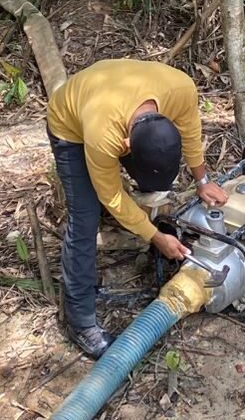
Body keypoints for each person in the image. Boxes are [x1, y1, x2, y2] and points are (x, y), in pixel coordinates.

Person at [46, 58, 229, 358]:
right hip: (72, 127)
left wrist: (202, 180)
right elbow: (113, 196)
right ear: (126, 145)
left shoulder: (181, 90)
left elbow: (192, 133)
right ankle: (79, 322)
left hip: (116, 104)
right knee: (85, 218)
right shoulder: (103, 134)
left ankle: (153, 246)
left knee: (155, 189)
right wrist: (154, 235)